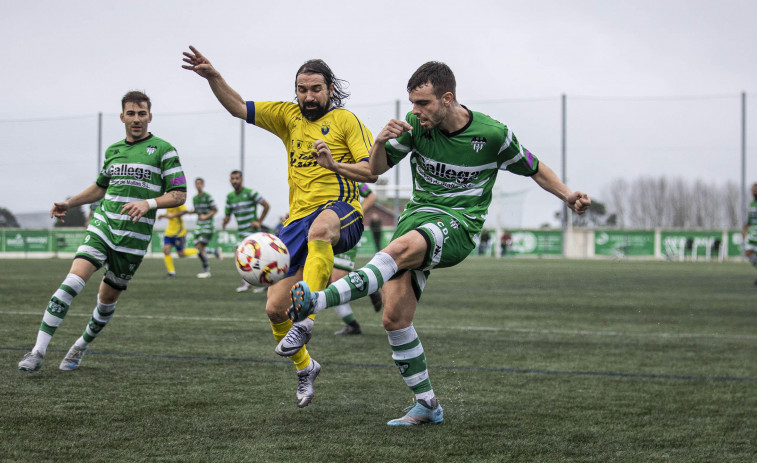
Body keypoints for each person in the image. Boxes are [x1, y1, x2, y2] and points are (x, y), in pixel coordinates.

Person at [286, 61, 591, 425]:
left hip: (458, 224)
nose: (415, 112)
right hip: (417, 217)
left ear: (447, 99)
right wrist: (371, 147)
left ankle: (314, 303)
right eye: (412, 103)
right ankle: (427, 404)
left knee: (395, 252)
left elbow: (534, 167)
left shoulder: (492, 135)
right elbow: (372, 171)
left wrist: (568, 195)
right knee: (394, 318)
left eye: (423, 103)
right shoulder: (415, 127)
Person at [183, 46, 377, 407]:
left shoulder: (347, 122)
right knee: (274, 308)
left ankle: (307, 319)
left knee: (320, 231)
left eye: (316, 89)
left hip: (341, 211)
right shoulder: (288, 116)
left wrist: (333, 163)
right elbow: (240, 107)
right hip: (295, 224)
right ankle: (306, 367)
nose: (308, 96)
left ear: (330, 88)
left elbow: (371, 171)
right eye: (302, 89)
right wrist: (213, 77)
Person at [18, 90, 187, 372]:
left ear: (150, 116)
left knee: (106, 302)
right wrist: (69, 202)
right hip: (103, 226)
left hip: (133, 241)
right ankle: (37, 351)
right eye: (131, 113)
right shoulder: (113, 151)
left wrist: (148, 203)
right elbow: (101, 187)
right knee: (72, 282)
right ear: (122, 117)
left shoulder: (164, 150)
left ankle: (80, 346)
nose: (136, 119)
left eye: (142, 113)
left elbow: (179, 194)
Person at [332, 182, 383, 335]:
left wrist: (351, 217)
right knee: (328, 282)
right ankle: (352, 325)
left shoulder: (350, 172)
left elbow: (371, 196)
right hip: (327, 230)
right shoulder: (320, 173)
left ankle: (369, 285)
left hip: (345, 232)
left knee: (336, 281)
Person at [222, 170, 270, 292]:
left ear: (241, 179)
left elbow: (266, 205)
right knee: (241, 258)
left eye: (237, 178)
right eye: (232, 179)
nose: (235, 181)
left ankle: (260, 283)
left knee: (250, 257)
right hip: (241, 232)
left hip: (252, 232)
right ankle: (250, 281)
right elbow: (228, 214)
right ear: (230, 181)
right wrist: (225, 221)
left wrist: (259, 221)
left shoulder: (250, 193)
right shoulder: (230, 197)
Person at [190, 177, 222, 278]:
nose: (198, 185)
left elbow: (215, 209)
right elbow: (197, 210)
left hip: (208, 226)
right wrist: (192, 212)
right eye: (197, 184)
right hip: (199, 226)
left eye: (200, 184)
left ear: (203, 185)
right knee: (198, 248)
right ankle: (215, 252)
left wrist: (205, 216)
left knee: (200, 248)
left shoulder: (208, 196)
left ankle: (206, 271)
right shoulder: (194, 198)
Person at [158, 204, 199, 277]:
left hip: (178, 232)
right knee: (166, 250)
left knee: (181, 254)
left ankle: (198, 251)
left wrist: (173, 214)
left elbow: (185, 211)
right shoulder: (168, 203)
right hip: (169, 232)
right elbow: (170, 214)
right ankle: (171, 272)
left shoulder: (178, 200)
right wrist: (163, 216)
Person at [743, 182, 757, 285]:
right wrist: (744, 229)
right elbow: (749, 219)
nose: (754, 192)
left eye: (756, 190)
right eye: (753, 190)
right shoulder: (752, 204)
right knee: (748, 252)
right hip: (753, 232)